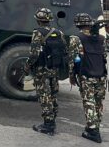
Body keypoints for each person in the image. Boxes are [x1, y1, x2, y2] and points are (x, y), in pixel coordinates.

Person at [24, 8, 67, 136]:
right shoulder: (59, 32)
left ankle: (48, 125)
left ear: (38, 20)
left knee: (44, 95)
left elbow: (34, 53)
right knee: (53, 95)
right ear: (50, 20)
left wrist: (27, 66)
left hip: (42, 69)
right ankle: (52, 121)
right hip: (54, 68)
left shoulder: (38, 33)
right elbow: (64, 50)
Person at [68, 13, 107, 143]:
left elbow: (73, 58)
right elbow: (105, 54)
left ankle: (93, 132)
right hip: (101, 75)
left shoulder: (76, 38)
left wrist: (71, 75)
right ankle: (93, 126)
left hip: (87, 75)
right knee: (98, 103)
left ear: (78, 24)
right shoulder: (102, 38)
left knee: (88, 102)